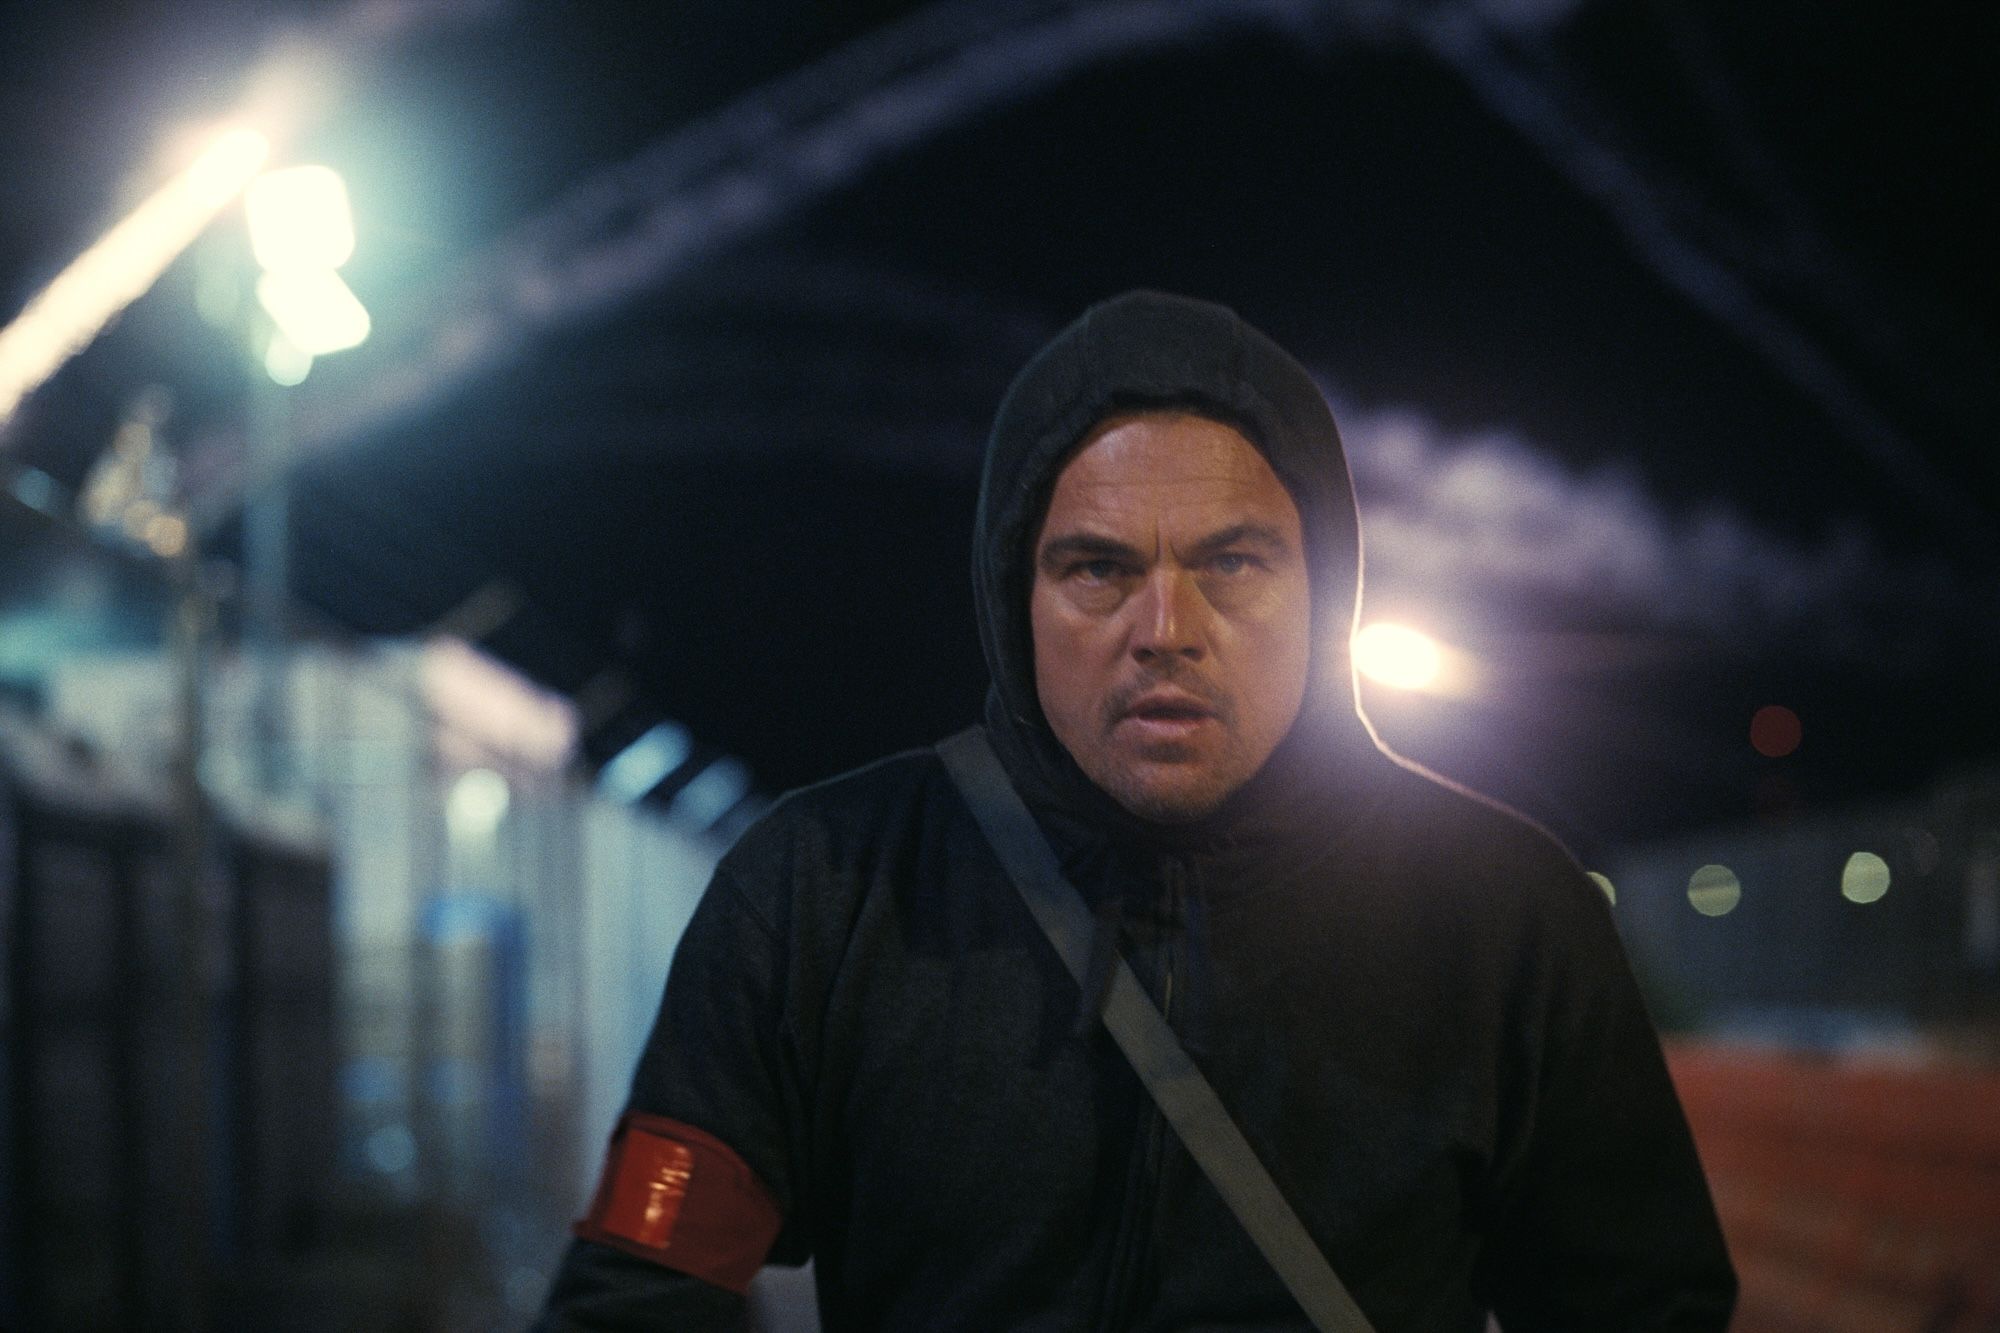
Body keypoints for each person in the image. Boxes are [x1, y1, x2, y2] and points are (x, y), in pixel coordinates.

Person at [536, 291, 1737, 1330]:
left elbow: (1639, 1309)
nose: (1165, 628)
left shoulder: (1501, 915)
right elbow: (644, 1280)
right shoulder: (824, 888)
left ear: (1324, 591)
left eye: (1232, 564)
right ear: (1012, 595)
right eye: (1098, 568)